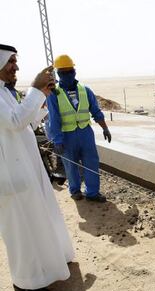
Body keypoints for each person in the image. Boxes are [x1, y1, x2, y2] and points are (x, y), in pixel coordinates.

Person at [0, 44, 74, 291]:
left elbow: (27, 121)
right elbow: (14, 121)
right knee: (20, 231)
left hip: (27, 170)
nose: (15, 66)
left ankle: (51, 265)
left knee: (40, 220)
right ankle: (25, 281)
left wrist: (42, 94)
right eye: (10, 61)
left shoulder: (5, 93)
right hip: (10, 176)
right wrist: (34, 87)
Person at [46, 55, 111, 202]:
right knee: (71, 165)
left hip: (85, 133)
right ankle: (75, 190)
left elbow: (96, 111)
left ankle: (92, 193)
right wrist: (57, 140)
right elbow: (54, 119)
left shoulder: (85, 90)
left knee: (91, 163)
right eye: (63, 72)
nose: (67, 75)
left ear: (74, 71)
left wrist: (105, 128)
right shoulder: (53, 94)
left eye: (70, 71)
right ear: (58, 74)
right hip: (66, 136)